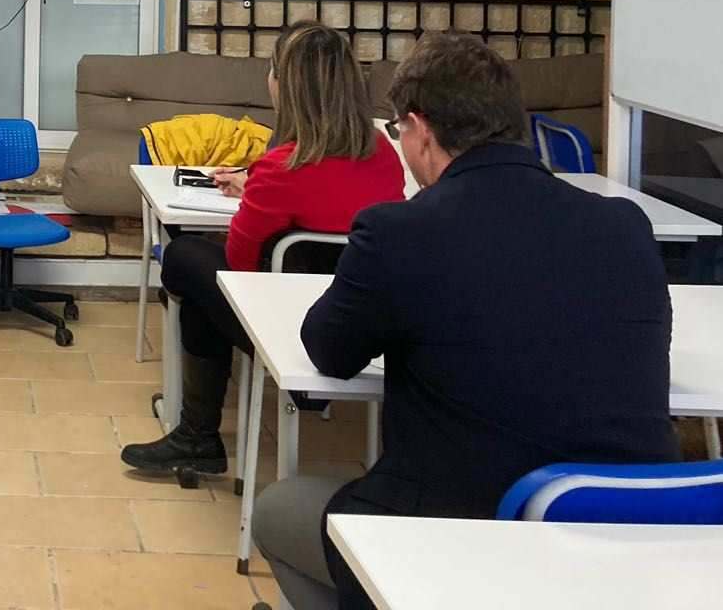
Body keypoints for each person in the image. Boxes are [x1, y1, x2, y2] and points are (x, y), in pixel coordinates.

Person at [254, 33, 679, 610]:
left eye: (398, 131)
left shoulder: (400, 232)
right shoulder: (625, 227)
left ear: (420, 128)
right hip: (630, 542)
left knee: (279, 510)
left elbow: (328, 350)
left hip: (458, 538)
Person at [121, 21, 405, 478]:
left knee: (187, 259)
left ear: (285, 86)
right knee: (198, 268)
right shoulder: (384, 154)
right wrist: (255, 186)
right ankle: (202, 431)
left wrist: (256, 192)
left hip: (283, 326)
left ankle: (197, 434)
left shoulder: (281, 168)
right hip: (361, 326)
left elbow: (242, 266)